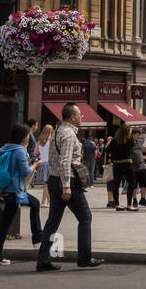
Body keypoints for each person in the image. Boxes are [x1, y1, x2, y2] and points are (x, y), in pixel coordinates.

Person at [36, 103, 104, 271]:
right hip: (67, 181)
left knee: (52, 222)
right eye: (80, 115)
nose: (82, 117)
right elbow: (65, 161)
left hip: (53, 180)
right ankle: (84, 258)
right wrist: (66, 186)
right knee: (85, 217)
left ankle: (43, 260)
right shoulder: (68, 134)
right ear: (72, 117)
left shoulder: (58, 131)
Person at [0, 123, 43, 265]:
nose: (29, 138)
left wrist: (2, 188)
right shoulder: (19, 150)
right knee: (6, 224)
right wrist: (35, 165)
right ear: (23, 137)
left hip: (9, 189)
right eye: (27, 135)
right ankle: (37, 239)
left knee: (6, 223)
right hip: (14, 191)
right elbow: (25, 171)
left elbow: (8, 169)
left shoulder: (7, 147)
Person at [107, 125, 138, 211]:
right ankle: (129, 204)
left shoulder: (114, 140)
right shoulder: (130, 140)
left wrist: (112, 157)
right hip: (127, 164)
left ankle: (117, 204)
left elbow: (107, 150)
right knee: (132, 183)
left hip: (117, 165)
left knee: (116, 184)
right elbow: (132, 147)